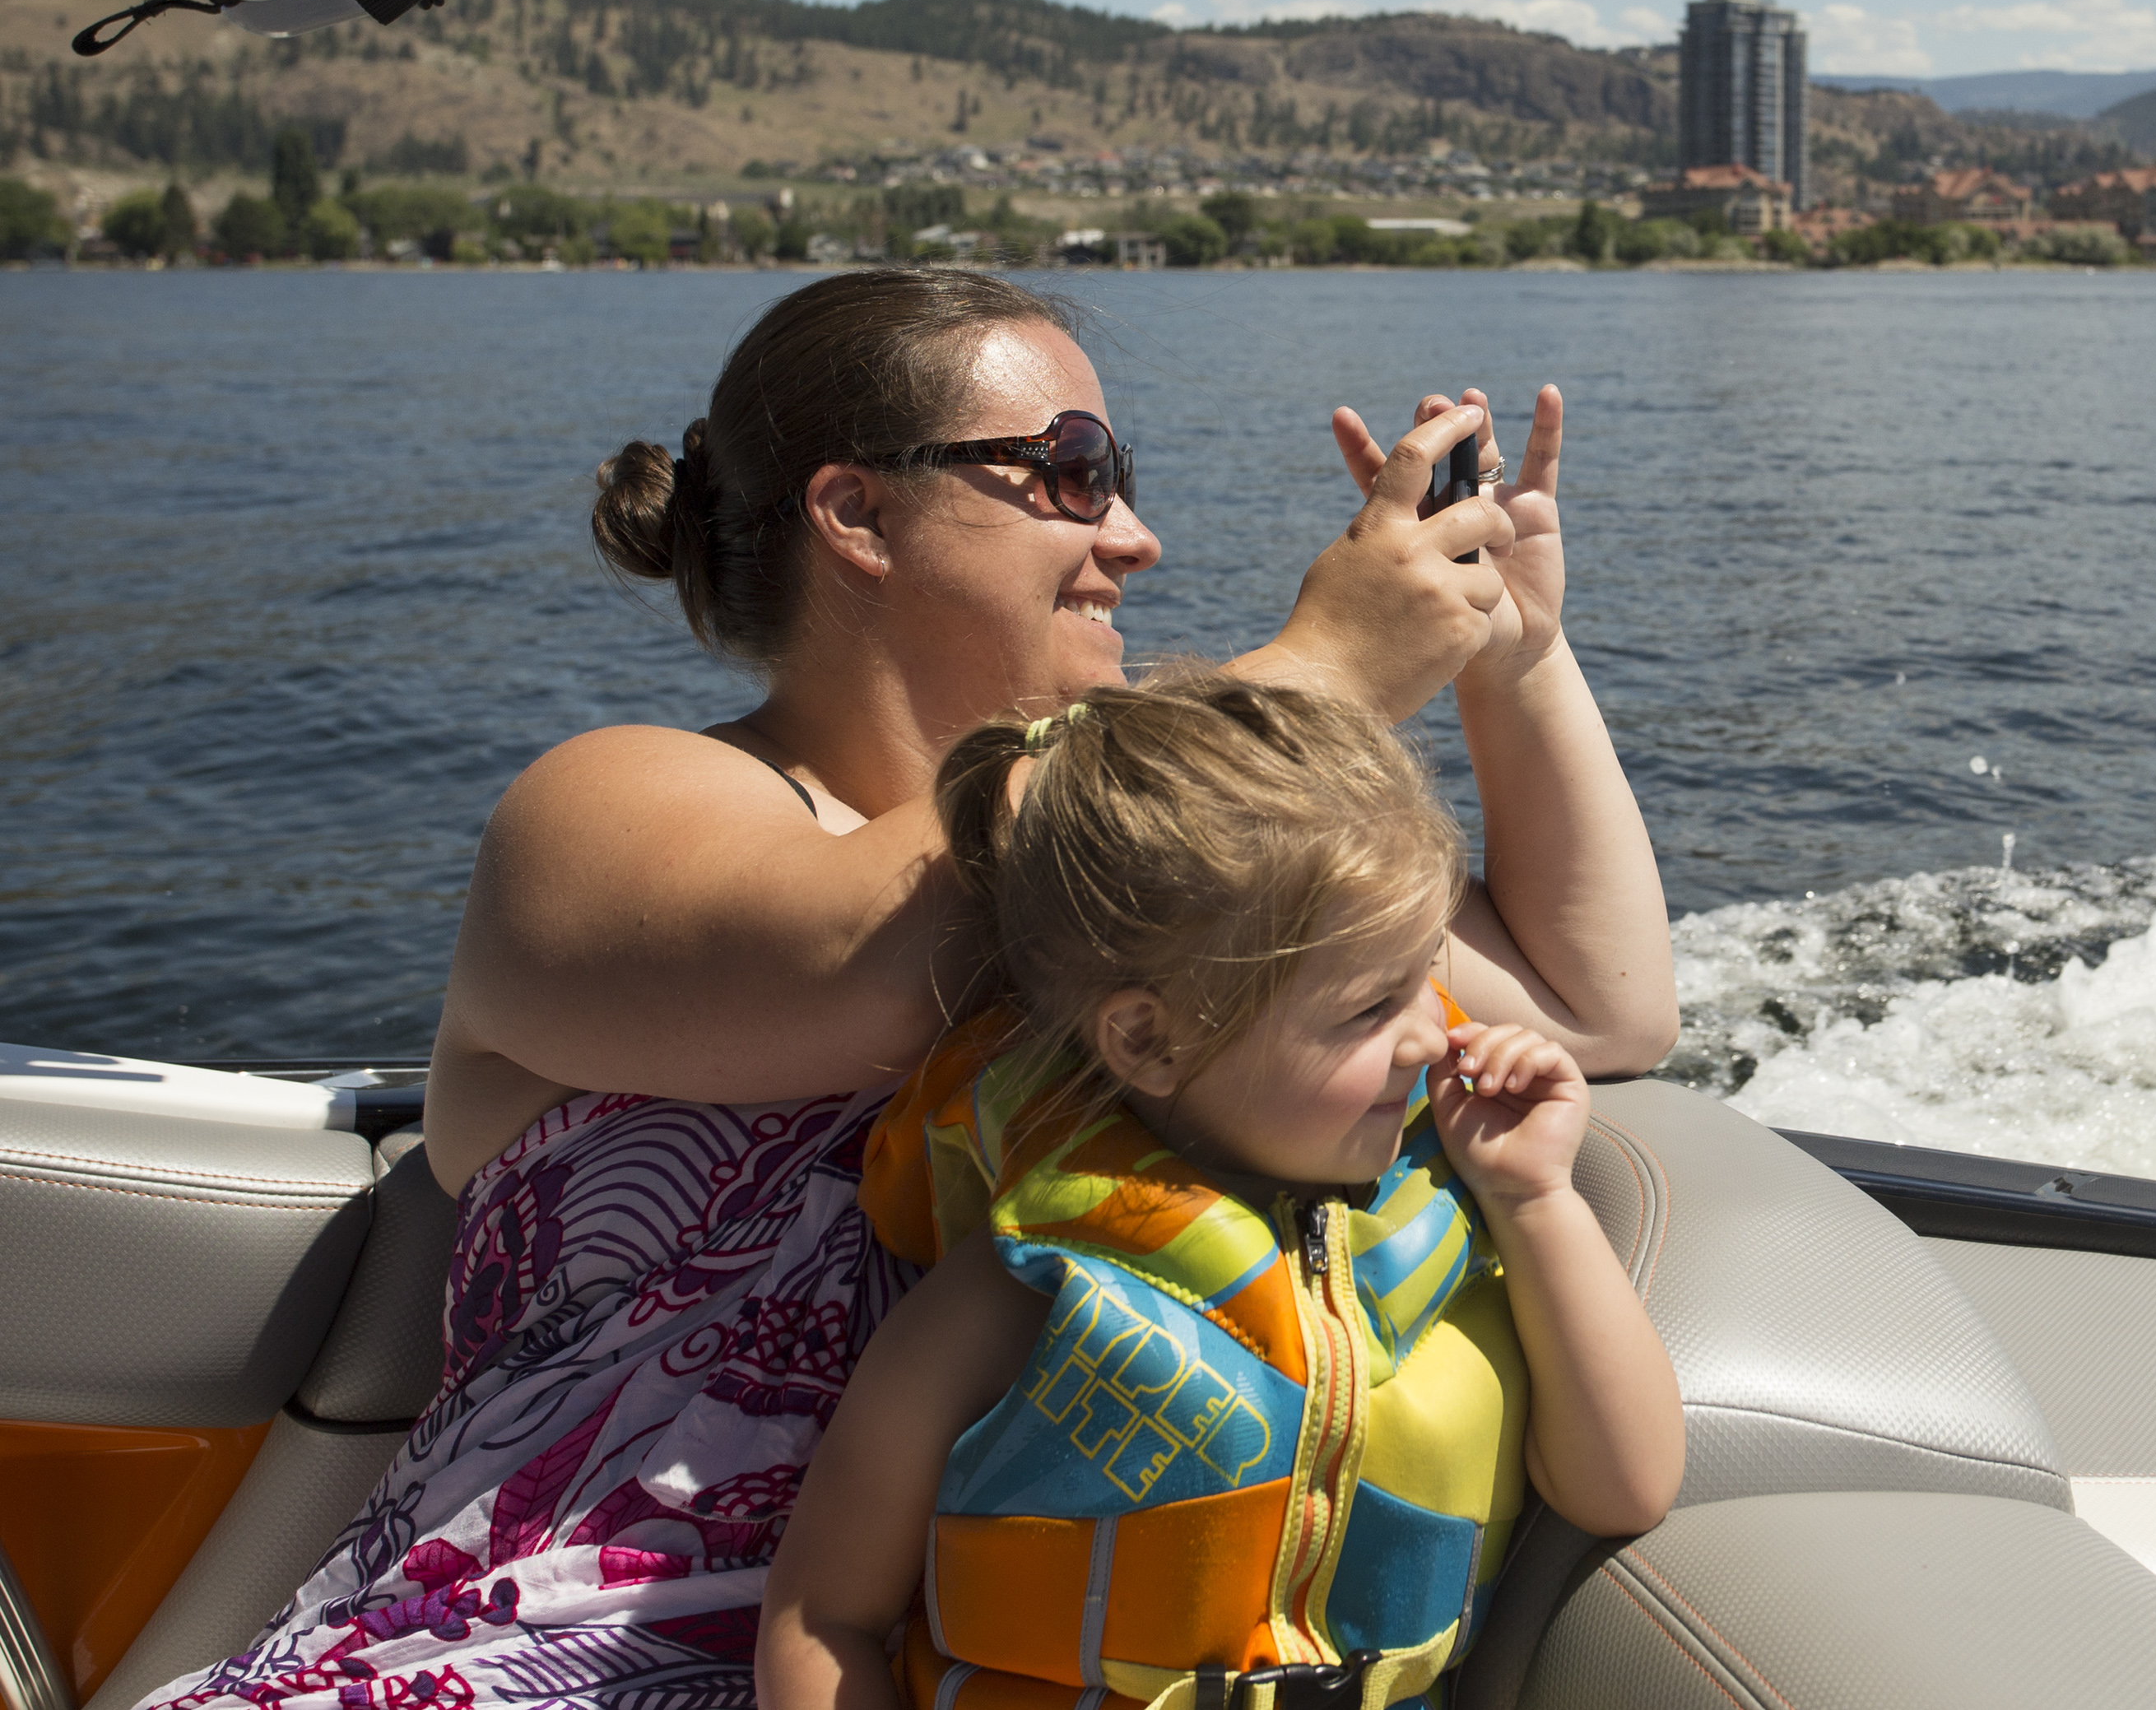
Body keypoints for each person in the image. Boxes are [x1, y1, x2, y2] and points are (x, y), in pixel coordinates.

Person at [132, 270, 1673, 1710]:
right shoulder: (609, 804)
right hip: (521, 1657)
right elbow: (860, 966)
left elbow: (1596, 1008)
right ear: (856, 510)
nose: (1132, 536)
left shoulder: (1164, 881)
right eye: (1072, 469)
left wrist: (1510, 656)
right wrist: (1319, 668)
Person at [759, 672, 1682, 1710]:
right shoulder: (1010, 1297)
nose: (1435, 1030)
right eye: (1371, 1006)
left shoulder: (1463, 1224)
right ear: (1148, 1038)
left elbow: (1628, 1483)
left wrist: (1538, 1199)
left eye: (1430, 972)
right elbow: (819, 1617)